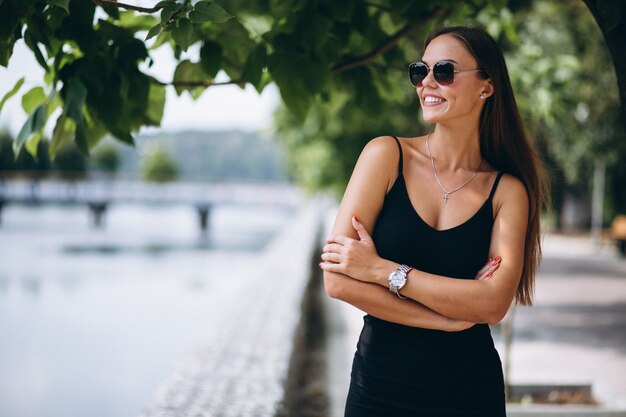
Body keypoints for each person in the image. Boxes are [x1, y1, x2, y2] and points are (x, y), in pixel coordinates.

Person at [319, 25, 547, 417]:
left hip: (470, 393)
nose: (426, 82)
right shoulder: (384, 156)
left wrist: (380, 270)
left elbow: (492, 304)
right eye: (419, 71)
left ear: (486, 86)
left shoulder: (508, 191)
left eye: (444, 71)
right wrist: (445, 320)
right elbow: (337, 279)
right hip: (378, 389)